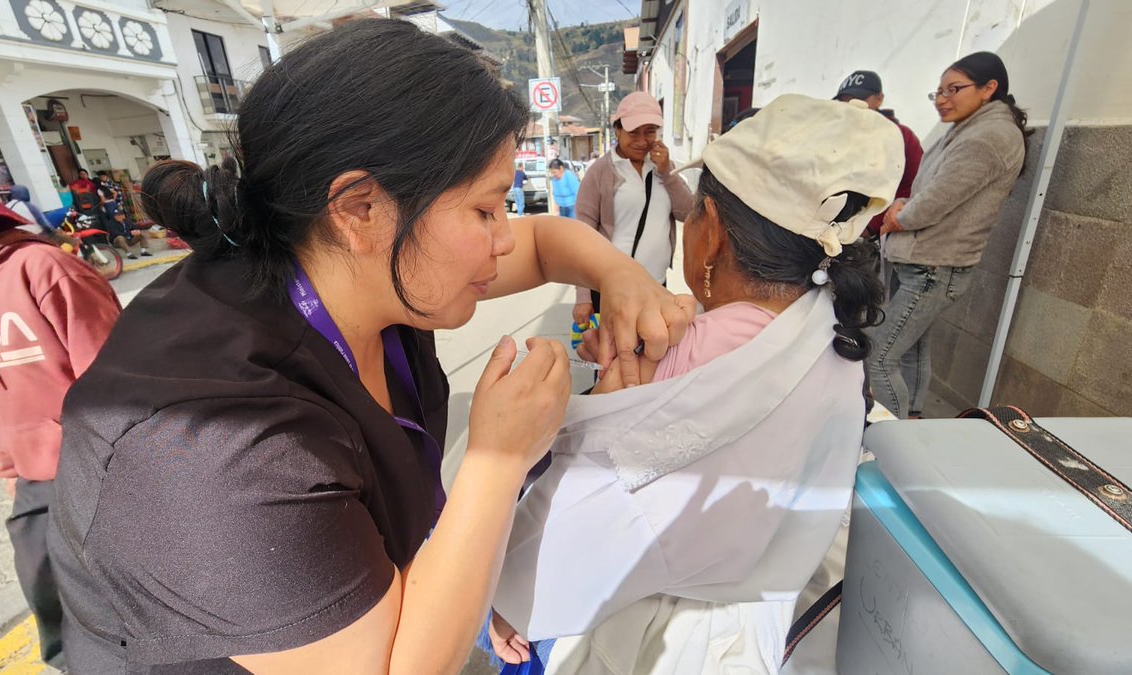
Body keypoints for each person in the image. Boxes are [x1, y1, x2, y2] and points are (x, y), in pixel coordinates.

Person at [47, 19, 692, 674]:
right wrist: (499, 458)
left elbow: (548, 242)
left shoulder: (364, 271)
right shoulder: (215, 443)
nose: (504, 238)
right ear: (361, 209)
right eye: (484, 210)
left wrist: (622, 278)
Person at [487, 94, 903, 673]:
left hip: (652, 625)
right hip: (761, 616)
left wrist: (512, 601)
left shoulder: (684, 348)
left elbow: (591, 508)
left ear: (711, 231)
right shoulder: (831, 334)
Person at [0, 141, 121, 669]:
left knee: (121, 609)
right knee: (50, 602)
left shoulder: (45, 270)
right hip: (34, 481)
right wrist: (10, 468)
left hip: (96, 471)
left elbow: (114, 385)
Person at [871, 51, 1030, 419]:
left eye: (953, 89)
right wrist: (902, 205)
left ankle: (891, 435)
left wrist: (896, 217)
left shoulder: (988, 136)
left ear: (988, 88)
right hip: (926, 261)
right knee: (911, 351)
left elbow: (932, 203)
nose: (942, 99)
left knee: (880, 356)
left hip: (933, 267)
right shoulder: (969, 128)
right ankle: (912, 420)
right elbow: (926, 190)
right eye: (938, 92)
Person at [573, 91, 694, 325]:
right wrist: (583, 296)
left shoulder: (663, 167)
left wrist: (666, 171)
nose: (642, 140)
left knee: (655, 343)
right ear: (618, 130)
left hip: (656, 283)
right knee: (616, 346)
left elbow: (688, 213)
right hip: (613, 287)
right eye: (633, 132)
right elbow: (582, 236)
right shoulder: (601, 172)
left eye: (649, 131)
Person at [834, 70, 924, 238]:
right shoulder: (835, 134)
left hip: (874, 232)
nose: (851, 105)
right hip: (829, 226)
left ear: (879, 99)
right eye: (844, 101)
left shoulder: (902, 137)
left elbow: (913, 185)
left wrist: (869, 227)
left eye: (859, 99)